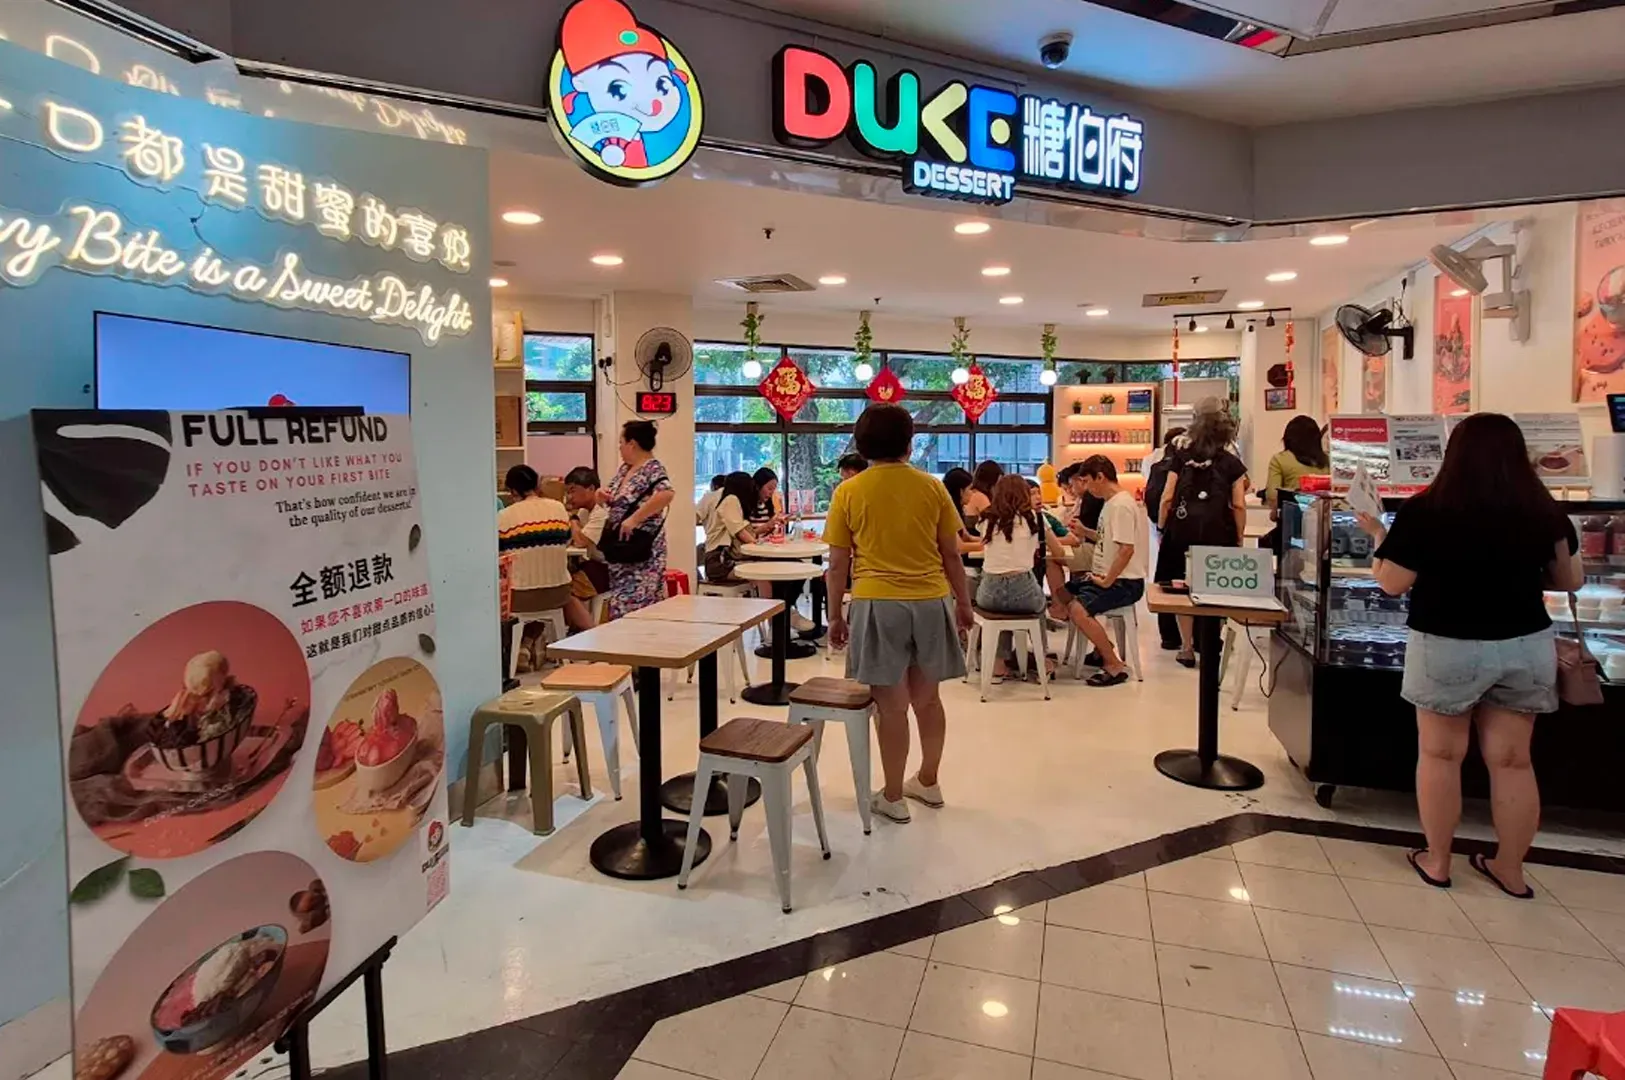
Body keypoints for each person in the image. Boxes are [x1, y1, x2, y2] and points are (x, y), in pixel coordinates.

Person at [1355, 413, 1581, 898]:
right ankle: (1511, 870)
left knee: (1440, 755)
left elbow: (1393, 582)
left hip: (1445, 643)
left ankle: (1438, 861)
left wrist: (1377, 535)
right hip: (1524, 644)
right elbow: (1569, 580)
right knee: (1514, 762)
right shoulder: (1544, 512)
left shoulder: (1427, 511)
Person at [825, 404, 973, 825]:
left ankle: (893, 795)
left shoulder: (849, 491)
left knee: (891, 707)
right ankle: (928, 780)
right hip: (931, 600)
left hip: (876, 603)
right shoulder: (933, 487)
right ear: (910, 444)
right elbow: (952, 554)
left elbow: (838, 564)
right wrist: (963, 604)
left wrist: (835, 616)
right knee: (928, 699)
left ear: (862, 444)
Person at [1156, 399, 1248, 667]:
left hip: (1182, 531)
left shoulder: (1181, 456)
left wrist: (1163, 527)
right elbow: (1239, 504)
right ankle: (1210, 640)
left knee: (1183, 587)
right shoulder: (1232, 462)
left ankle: (1186, 646)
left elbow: (1166, 497)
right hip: (1219, 533)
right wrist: (1239, 537)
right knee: (1216, 587)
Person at [1065, 456, 1148, 687]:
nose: (1087, 488)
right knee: (1063, 595)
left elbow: (1126, 550)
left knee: (1077, 609)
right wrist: (1086, 532)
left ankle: (1114, 664)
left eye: (1088, 481)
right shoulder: (1112, 503)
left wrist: (1106, 581)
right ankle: (1103, 648)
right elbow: (1107, 540)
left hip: (1124, 581)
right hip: (1109, 576)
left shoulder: (1121, 505)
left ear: (1100, 477)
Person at [498, 466, 589, 670]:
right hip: (558, 594)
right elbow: (566, 541)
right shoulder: (558, 508)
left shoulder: (503, 517)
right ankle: (528, 645)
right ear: (537, 485)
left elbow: (498, 551)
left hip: (520, 597)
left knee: (507, 595)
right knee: (550, 594)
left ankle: (516, 650)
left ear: (512, 491)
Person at [972, 475, 1050, 679]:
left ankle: (998, 663)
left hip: (989, 592)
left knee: (1000, 611)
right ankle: (1043, 657)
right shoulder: (1032, 518)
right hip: (1023, 589)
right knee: (1039, 604)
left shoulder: (986, 519)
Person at [600, 421, 675, 618]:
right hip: (620, 548)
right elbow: (618, 497)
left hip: (642, 548)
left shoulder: (653, 469)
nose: (620, 448)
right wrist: (604, 496)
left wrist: (634, 519)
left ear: (632, 444)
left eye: (621, 443)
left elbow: (666, 494)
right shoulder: (625, 469)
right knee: (619, 601)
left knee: (640, 603)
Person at [1143, 426, 1187, 651]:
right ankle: (1200, 638)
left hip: (1170, 529)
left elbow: (1163, 500)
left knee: (1167, 581)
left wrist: (1160, 527)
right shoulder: (1215, 462)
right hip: (1205, 531)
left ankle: (1169, 636)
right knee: (1196, 583)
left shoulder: (1156, 464)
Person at [1261, 415, 1331, 553]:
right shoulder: (1327, 461)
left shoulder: (1280, 460)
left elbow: (1272, 495)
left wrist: (1274, 512)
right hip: (1323, 528)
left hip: (1291, 526)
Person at [563, 465, 610, 612]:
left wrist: (573, 519)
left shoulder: (601, 512)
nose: (569, 497)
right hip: (588, 565)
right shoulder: (584, 511)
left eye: (573, 491)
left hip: (605, 570)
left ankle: (585, 627)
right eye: (567, 492)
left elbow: (580, 541)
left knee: (562, 591)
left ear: (590, 488)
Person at [701, 471, 760, 583]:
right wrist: (758, 545)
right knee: (761, 573)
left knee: (763, 571)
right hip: (720, 562)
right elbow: (739, 532)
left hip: (715, 560)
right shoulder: (731, 500)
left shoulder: (727, 499)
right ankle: (772, 600)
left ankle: (770, 600)